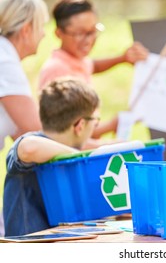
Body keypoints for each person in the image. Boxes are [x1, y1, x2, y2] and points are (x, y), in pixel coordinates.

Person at [39, 0, 149, 138]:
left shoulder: (76, 59)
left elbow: (93, 66)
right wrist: (112, 125)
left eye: (93, 31)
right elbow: (68, 135)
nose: (88, 39)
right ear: (59, 33)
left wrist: (122, 59)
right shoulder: (57, 72)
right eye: (80, 33)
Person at [3, 78, 100, 236]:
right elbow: (29, 148)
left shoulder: (58, 150)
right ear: (80, 125)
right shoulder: (33, 142)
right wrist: (80, 160)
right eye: (95, 122)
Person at [0, 0, 49, 238]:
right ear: (27, 28)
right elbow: (36, 135)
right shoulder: (4, 60)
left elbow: (19, 133)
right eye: (42, 26)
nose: (44, 34)